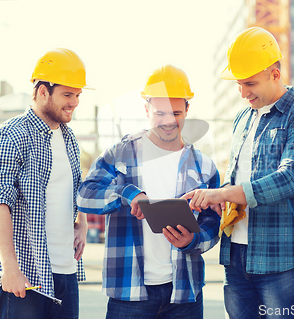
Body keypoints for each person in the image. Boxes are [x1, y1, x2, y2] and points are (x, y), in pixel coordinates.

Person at [184, 27, 294, 319]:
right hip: (237, 256)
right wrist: (216, 195)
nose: (243, 92)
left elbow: (290, 180)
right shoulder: (243, 118)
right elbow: (235, 177)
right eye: (238, 84)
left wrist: (223, 192)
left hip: (282, 259)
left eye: (250, 83)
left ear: (275, 74)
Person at [77, 64, 220, 319]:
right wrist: (127, 193)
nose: (168, 121)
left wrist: (194, 241)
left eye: (176, 112)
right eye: (160, 112)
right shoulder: (120, 154)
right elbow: (85, 195)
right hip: (129, 294)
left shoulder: (204, 166)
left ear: (187, 109)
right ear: (146, 109)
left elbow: (214, 222)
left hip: (184, 294)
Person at [0, 48, 89, 319]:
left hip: (66, 273)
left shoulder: (69, 138)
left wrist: (82, 222)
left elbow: (74, 190)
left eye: (77, 95)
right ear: (43, 91)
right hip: (25, 276)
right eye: (67, 94)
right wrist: (9, 267)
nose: (75, 102)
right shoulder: (10, 135)